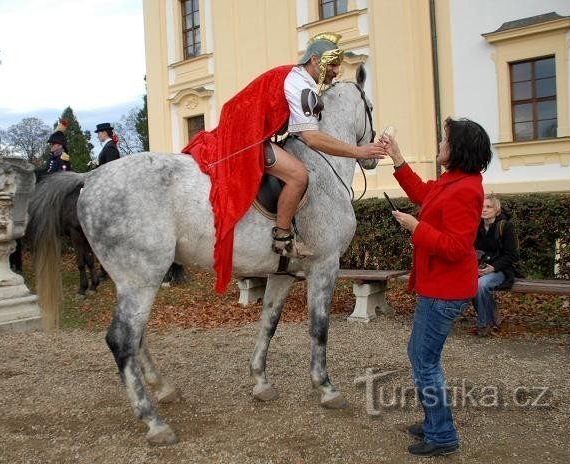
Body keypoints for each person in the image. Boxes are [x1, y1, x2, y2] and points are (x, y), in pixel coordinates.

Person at [183, 32, 384, 293]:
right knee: (299, 175)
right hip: (247, 136)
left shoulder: (300, 80)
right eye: (332, 64)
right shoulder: (301, 85)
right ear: (314, 60)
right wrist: (358, 152)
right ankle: (282, 236)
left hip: (254, 132)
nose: (336, 71)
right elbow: (311, 137)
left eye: (337, 65)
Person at [378, 117, 492, 457]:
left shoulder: (467, 189)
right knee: (421, 356)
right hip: (438, 287)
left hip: (446, 291)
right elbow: (422, 192)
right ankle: (434, 422)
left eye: (445, 141)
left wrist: (416, 227)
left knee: (424, 361)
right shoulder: (454, 181)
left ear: (458, 150)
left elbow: (458, 248)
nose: (440, 144)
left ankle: (442, 434)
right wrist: (396, 157)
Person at [473, 193, 519, 336]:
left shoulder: (505, 226)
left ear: (496, 210)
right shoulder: (476, 226)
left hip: (500, 270)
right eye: (482, 206)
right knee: (469, 284)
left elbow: (512, 255)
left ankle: (483, 324)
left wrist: (492, 268)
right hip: (480, 268)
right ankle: (493, 313)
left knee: (480, 285)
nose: (484, 209)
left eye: (488, 206)